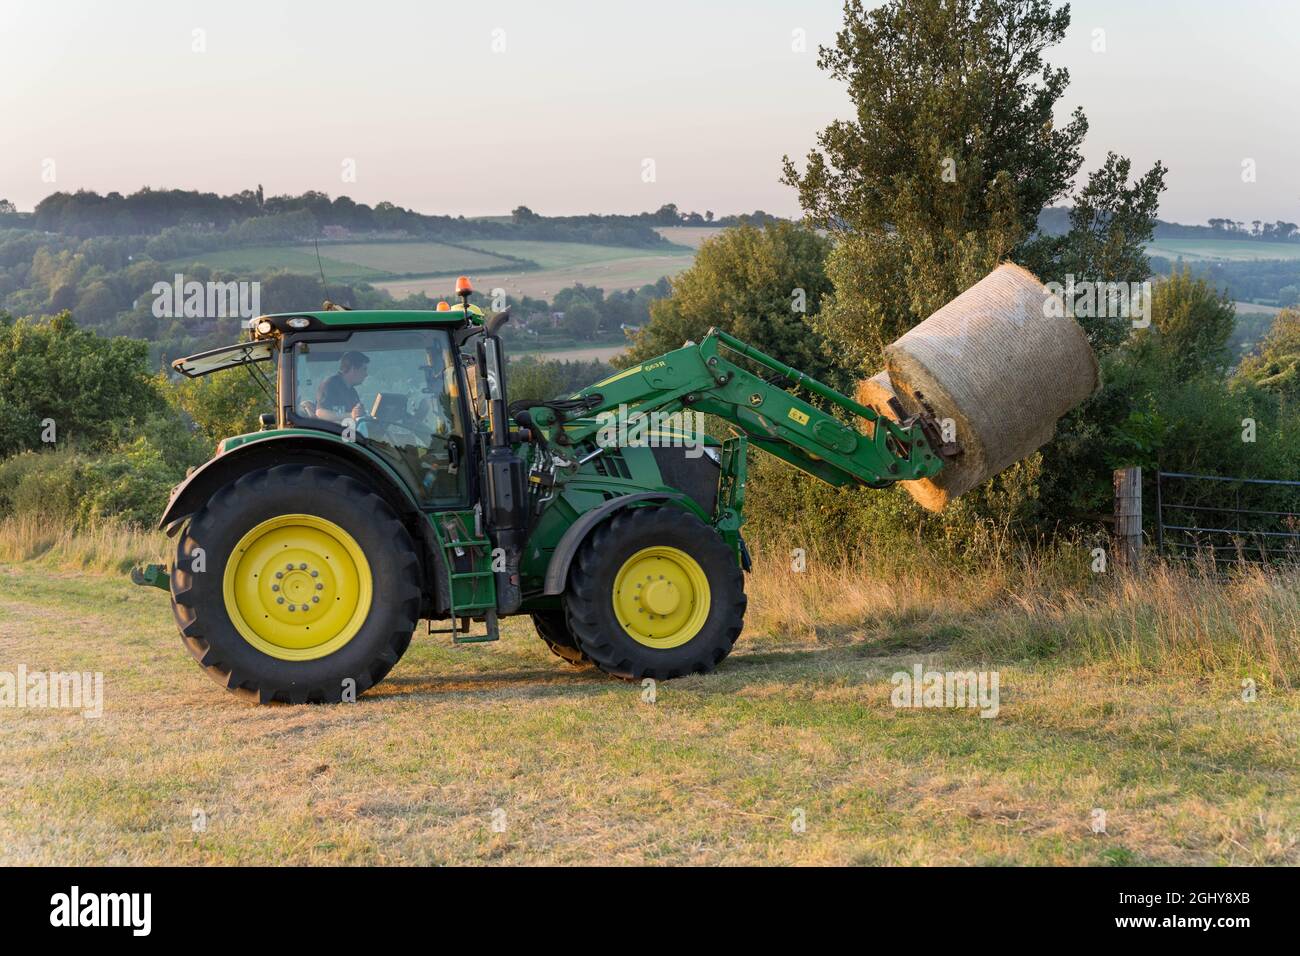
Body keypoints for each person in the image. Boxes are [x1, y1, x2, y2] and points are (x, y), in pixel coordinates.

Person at [315, 351, 369, 423]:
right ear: (353, 369)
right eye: (364, 369)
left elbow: (356, 416)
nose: (366, 374)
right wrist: (350, 415)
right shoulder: (329, 385)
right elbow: (320, 413)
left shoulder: (352, 392)